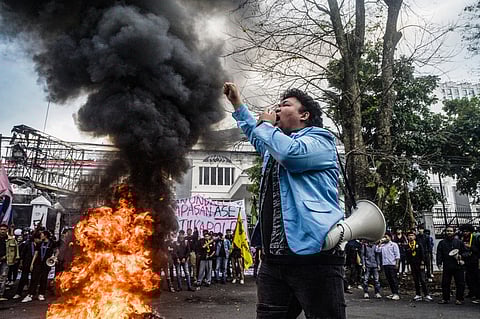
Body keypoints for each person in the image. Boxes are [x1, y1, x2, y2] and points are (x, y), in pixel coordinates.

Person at [224, 82, 345, 318]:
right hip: (274, 261)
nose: (277, 109)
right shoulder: (274, 146)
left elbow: (292, 155)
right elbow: (255, 133)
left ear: (304, 115)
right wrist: (237, 103)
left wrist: (268, 126)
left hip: (314, 260)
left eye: (285, 105)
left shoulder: (320, 140)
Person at [22, 230, 55, 302]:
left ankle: (41, 294)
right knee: (34, 278)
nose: (41, 235)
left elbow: (56, 251)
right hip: (38, 263)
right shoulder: (40, 243)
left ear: (46, 235)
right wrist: (32, 263)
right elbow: (36, 253)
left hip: (46, 264)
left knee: (43, 279)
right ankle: (30, 294)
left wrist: (54, 258)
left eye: (42, 234)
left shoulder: (52, 243)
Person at [437, 226, 467, 305]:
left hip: (458, 266)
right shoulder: (442, 243)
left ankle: (459, 299)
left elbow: (466, 252)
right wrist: (439, 263)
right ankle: (445, 299)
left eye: (450, 231)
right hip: (447, 266)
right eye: (447, 231)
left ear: (453, 232)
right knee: (445, 283)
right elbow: (439, 254)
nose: (449, 232)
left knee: (460, 283)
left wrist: (461, 256)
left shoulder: (459, 242)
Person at [405, 230, 433, 302]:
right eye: (409, 236)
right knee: (416, 280)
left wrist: (422, 263)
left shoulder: (418, 244)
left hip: (420, 264)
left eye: (412, 235)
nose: (410, 237)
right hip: (413, 265)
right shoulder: (407, 246)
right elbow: (407, 256)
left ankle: (427, 294)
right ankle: (418, 294)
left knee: (423, 280)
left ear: (415, 236)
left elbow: (422, 254)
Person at [376, 232, 400, 300]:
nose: (385, 238)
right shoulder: (383, 246)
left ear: (390, 237)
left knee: (393, 279)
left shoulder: (394, 245)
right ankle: (393, 293)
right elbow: (377, 250)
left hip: (392, 264)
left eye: (386, 237)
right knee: (389, 279)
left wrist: (397, 263)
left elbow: (397, 255)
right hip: (385, 264)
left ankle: (396, 293)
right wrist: (380, 243)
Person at [459, 224, 479, 303]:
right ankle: (471, 292)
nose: (465, 233)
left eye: (467, 231)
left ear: (470, 232)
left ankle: (478, 295)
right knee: (468, 278)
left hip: (474, 261)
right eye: (464, 231)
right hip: (466, 260)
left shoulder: (475, 238)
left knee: (476, 278)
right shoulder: (462, 238)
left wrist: (470, 246)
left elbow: (477, 250)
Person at [0, 223, 10, 301]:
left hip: (5, 261)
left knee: (3, 277)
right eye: (1, 229)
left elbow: (12, 251)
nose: (2, 231)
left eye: (4, 229)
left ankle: (1, 294)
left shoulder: (10, 239)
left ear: (7, 230)